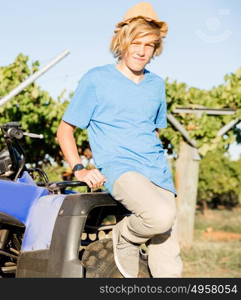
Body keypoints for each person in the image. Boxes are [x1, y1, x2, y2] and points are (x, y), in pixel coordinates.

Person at [56, 2, 182, 278]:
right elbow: (65, 130)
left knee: (169, 255)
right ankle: (124, 235)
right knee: (160, 217)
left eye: (149, 45)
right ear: (122, 42)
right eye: (136, 42)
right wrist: (81, 168)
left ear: (156, 49)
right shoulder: (97, 79)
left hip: (157, 171)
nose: (141, 50)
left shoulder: (156, 85)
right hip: (120, 168)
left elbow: (152, 130)